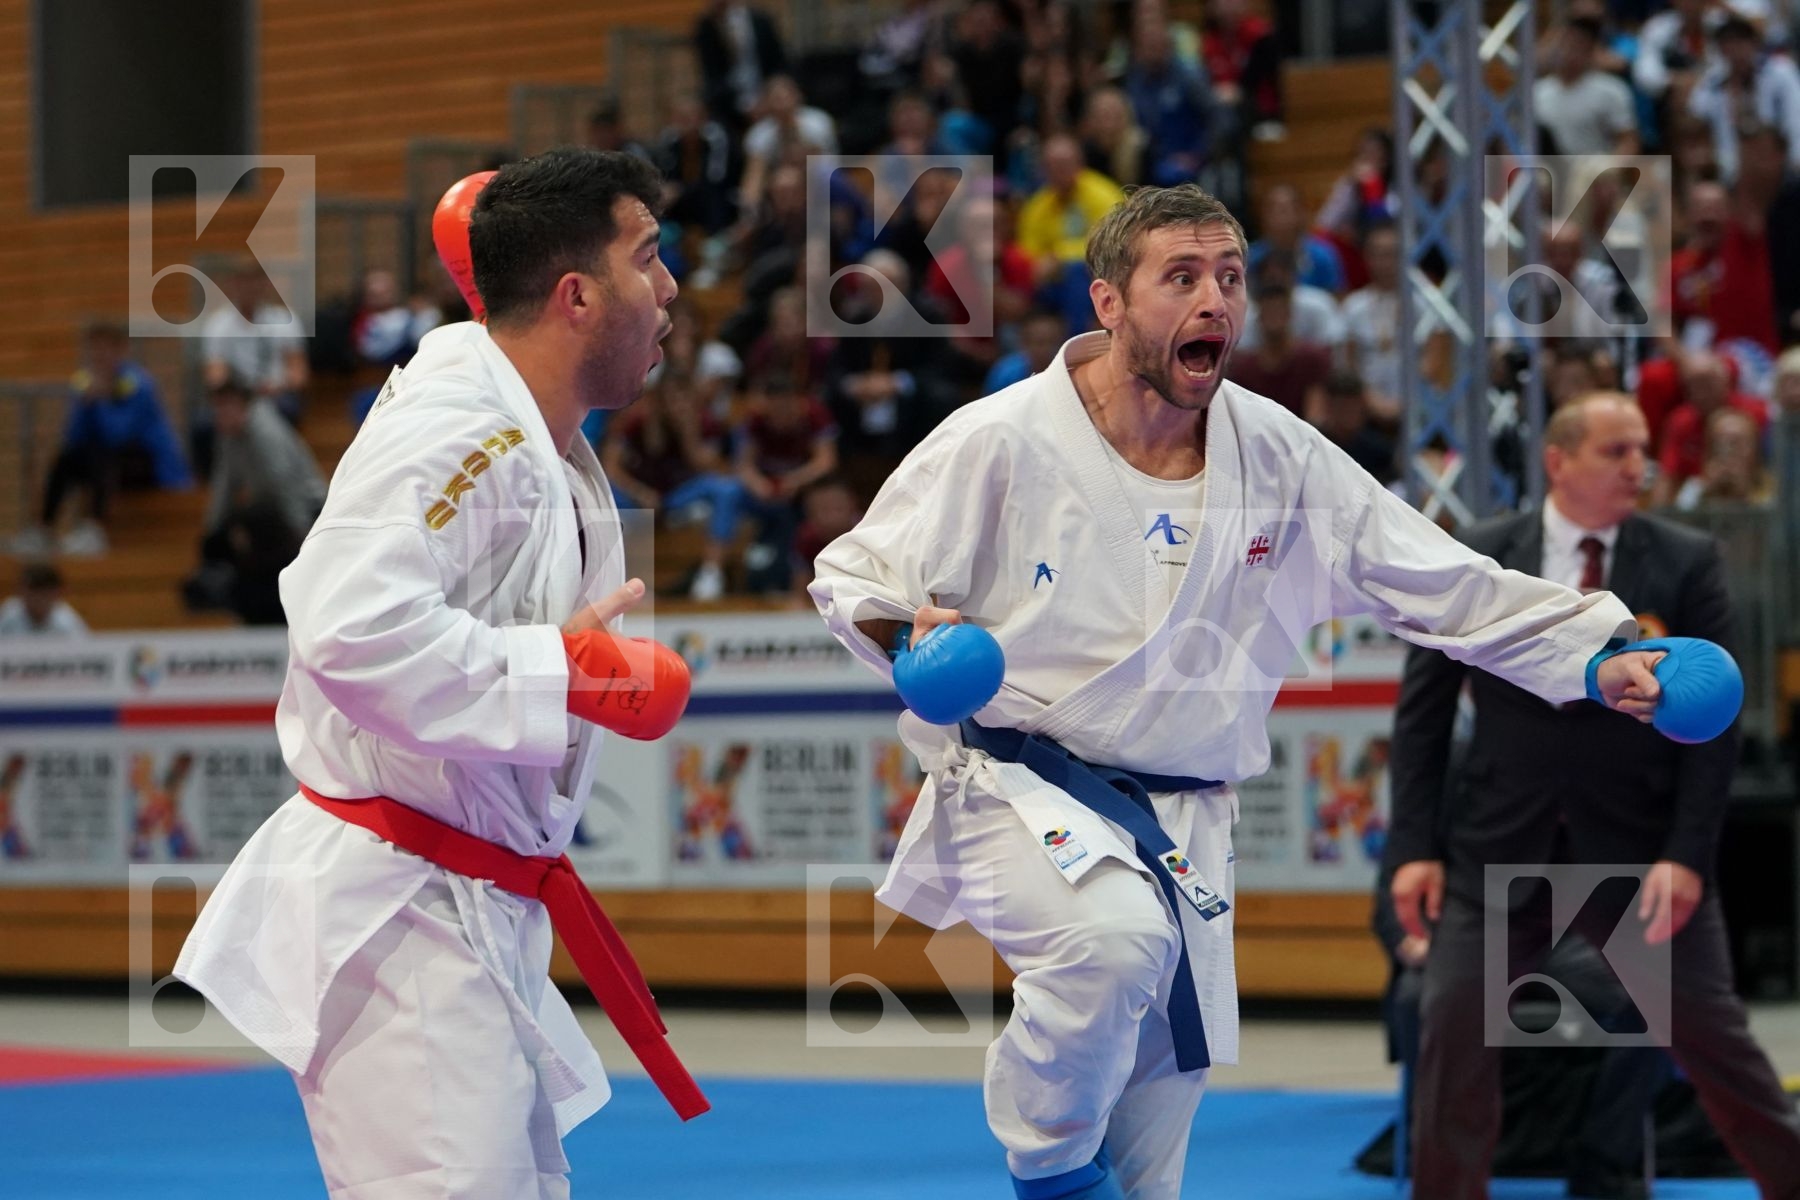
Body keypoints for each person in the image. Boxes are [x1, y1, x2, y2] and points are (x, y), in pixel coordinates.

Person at [809, 183, 1689, 1200]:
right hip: (1020, 786)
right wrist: (908, 641)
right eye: (1181, 277)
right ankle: (1049, 1166)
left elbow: (1436, 578)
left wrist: (1591, 654)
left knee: (1151, 1142)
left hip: (1185, 818)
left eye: (1229, 278)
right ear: (1108, 302)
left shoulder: (1274, 451)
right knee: (1111, 945)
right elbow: (854, 575)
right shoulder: (999, 438)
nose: (1214, 301)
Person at [174, 148, 707, 1200]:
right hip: (399, 904)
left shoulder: (536, 438)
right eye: (649, 257)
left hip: (465, 903)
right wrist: (561, 672)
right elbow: (348, 627)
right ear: (576, 296)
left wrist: (558, 670)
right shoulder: (463, 426)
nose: (672, 287)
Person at [1388, 391, 1800, 1200]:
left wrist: (1686, 857)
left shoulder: (1684, 560)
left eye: (1643, 448)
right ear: (1558, 461)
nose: (1638, 466)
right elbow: (1422, 718)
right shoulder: (1484, 556)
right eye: (1617, 451)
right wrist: (1412, 850)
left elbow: (1716, 732)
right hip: (1499, 842)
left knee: (1718, 1045)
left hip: (1638, 850)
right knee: (1454, 1043)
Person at [14, 320, 192, 557]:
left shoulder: (138, 383)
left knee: (102, 454)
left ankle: (94, 529)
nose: (99, 355)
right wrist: (86, 404)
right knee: (66, 459)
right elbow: (74, 437)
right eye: (94, 349)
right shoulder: (84, 383)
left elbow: (120, 435)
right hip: (106, 462)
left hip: (145, 464)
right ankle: (43, 530)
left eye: (105, 348)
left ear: (120, 350)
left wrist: (102, 399)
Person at [0, 562, 87, 637]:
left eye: (44, 593)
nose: (38, 599)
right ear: (21, 591)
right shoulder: (9, 615)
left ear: (56, 594)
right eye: (33, 591)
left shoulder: (67, 621)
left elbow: (84, 647)